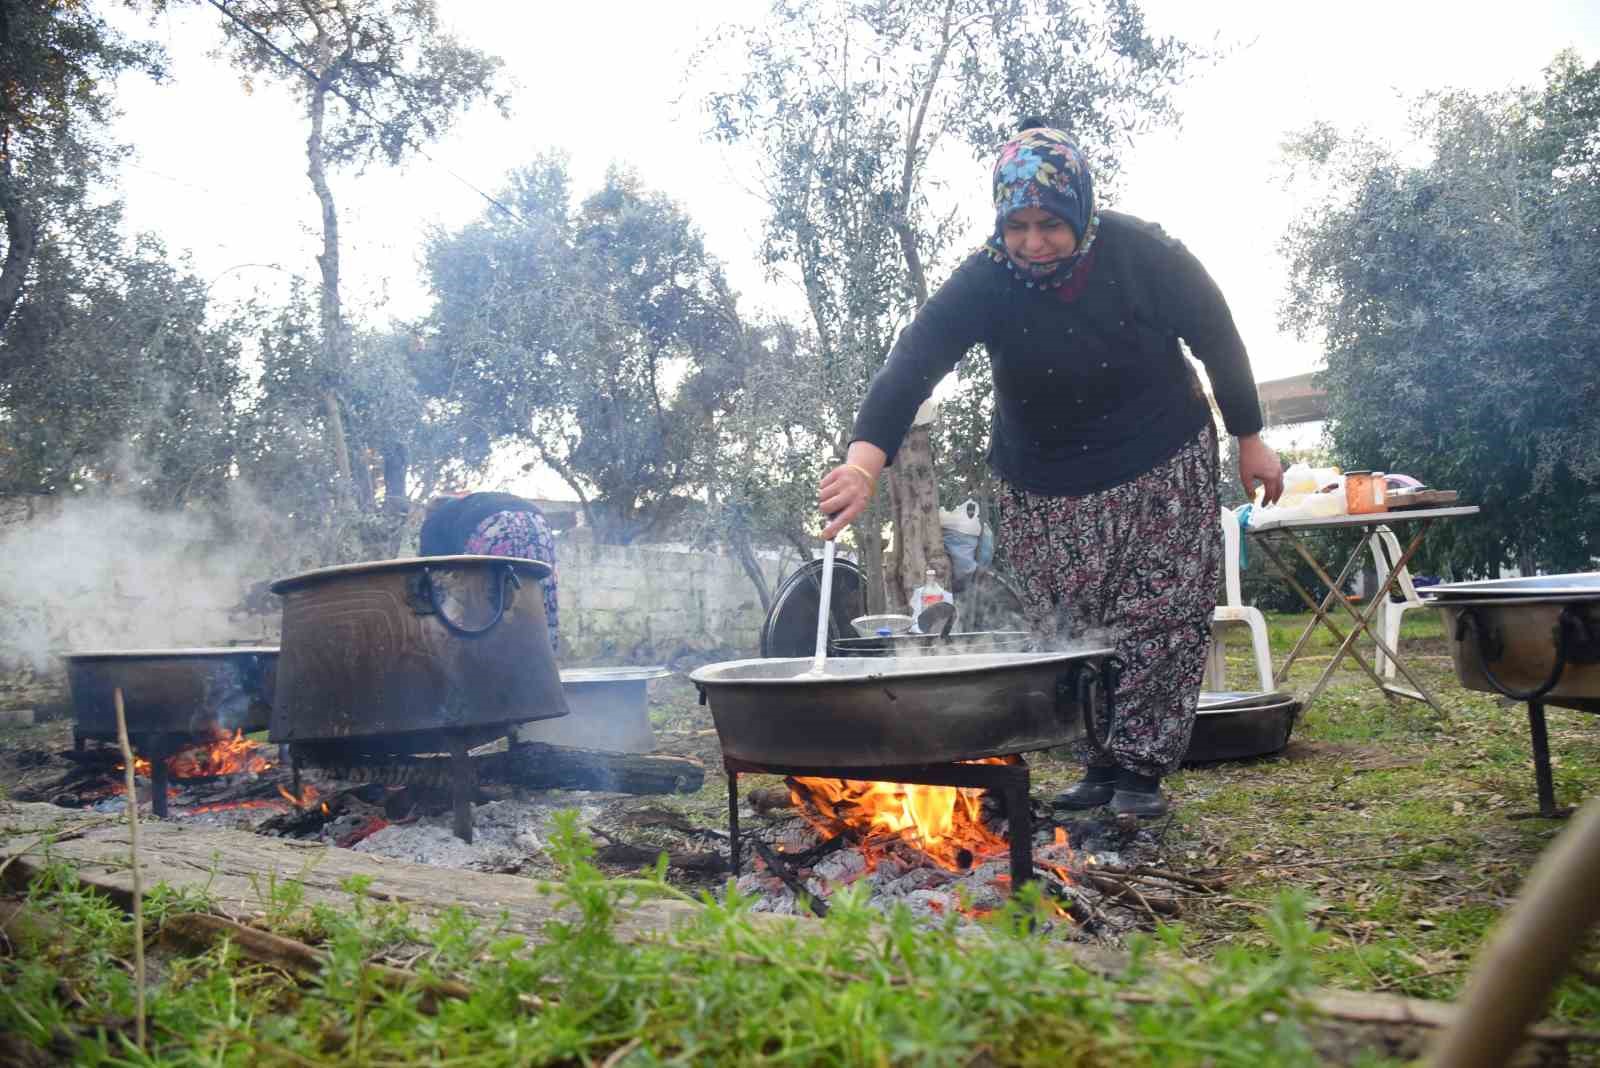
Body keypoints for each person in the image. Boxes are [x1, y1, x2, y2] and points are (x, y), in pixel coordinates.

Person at [818, 119, 1283, 818]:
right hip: (1042, 483)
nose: (1033, 242)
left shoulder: (1144, 253)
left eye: (1050, 225)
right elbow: (912, 364)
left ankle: (1139, 774)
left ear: (1082, 211)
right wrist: (863, 464)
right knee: (1068, 627)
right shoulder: (985, 279)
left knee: (1158, 618)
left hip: (1158, 461)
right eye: (1018, 226)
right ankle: (1098, 762)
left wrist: (1250, 436)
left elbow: (1218, 336)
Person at [418, 492, 560, 654]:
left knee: (482, 601)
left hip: (495, 526)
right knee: (538, 591)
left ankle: (487, 657)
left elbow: (429, 573)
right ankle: (544, 655)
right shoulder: (468, 507)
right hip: (537, 524)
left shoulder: (434, 522)